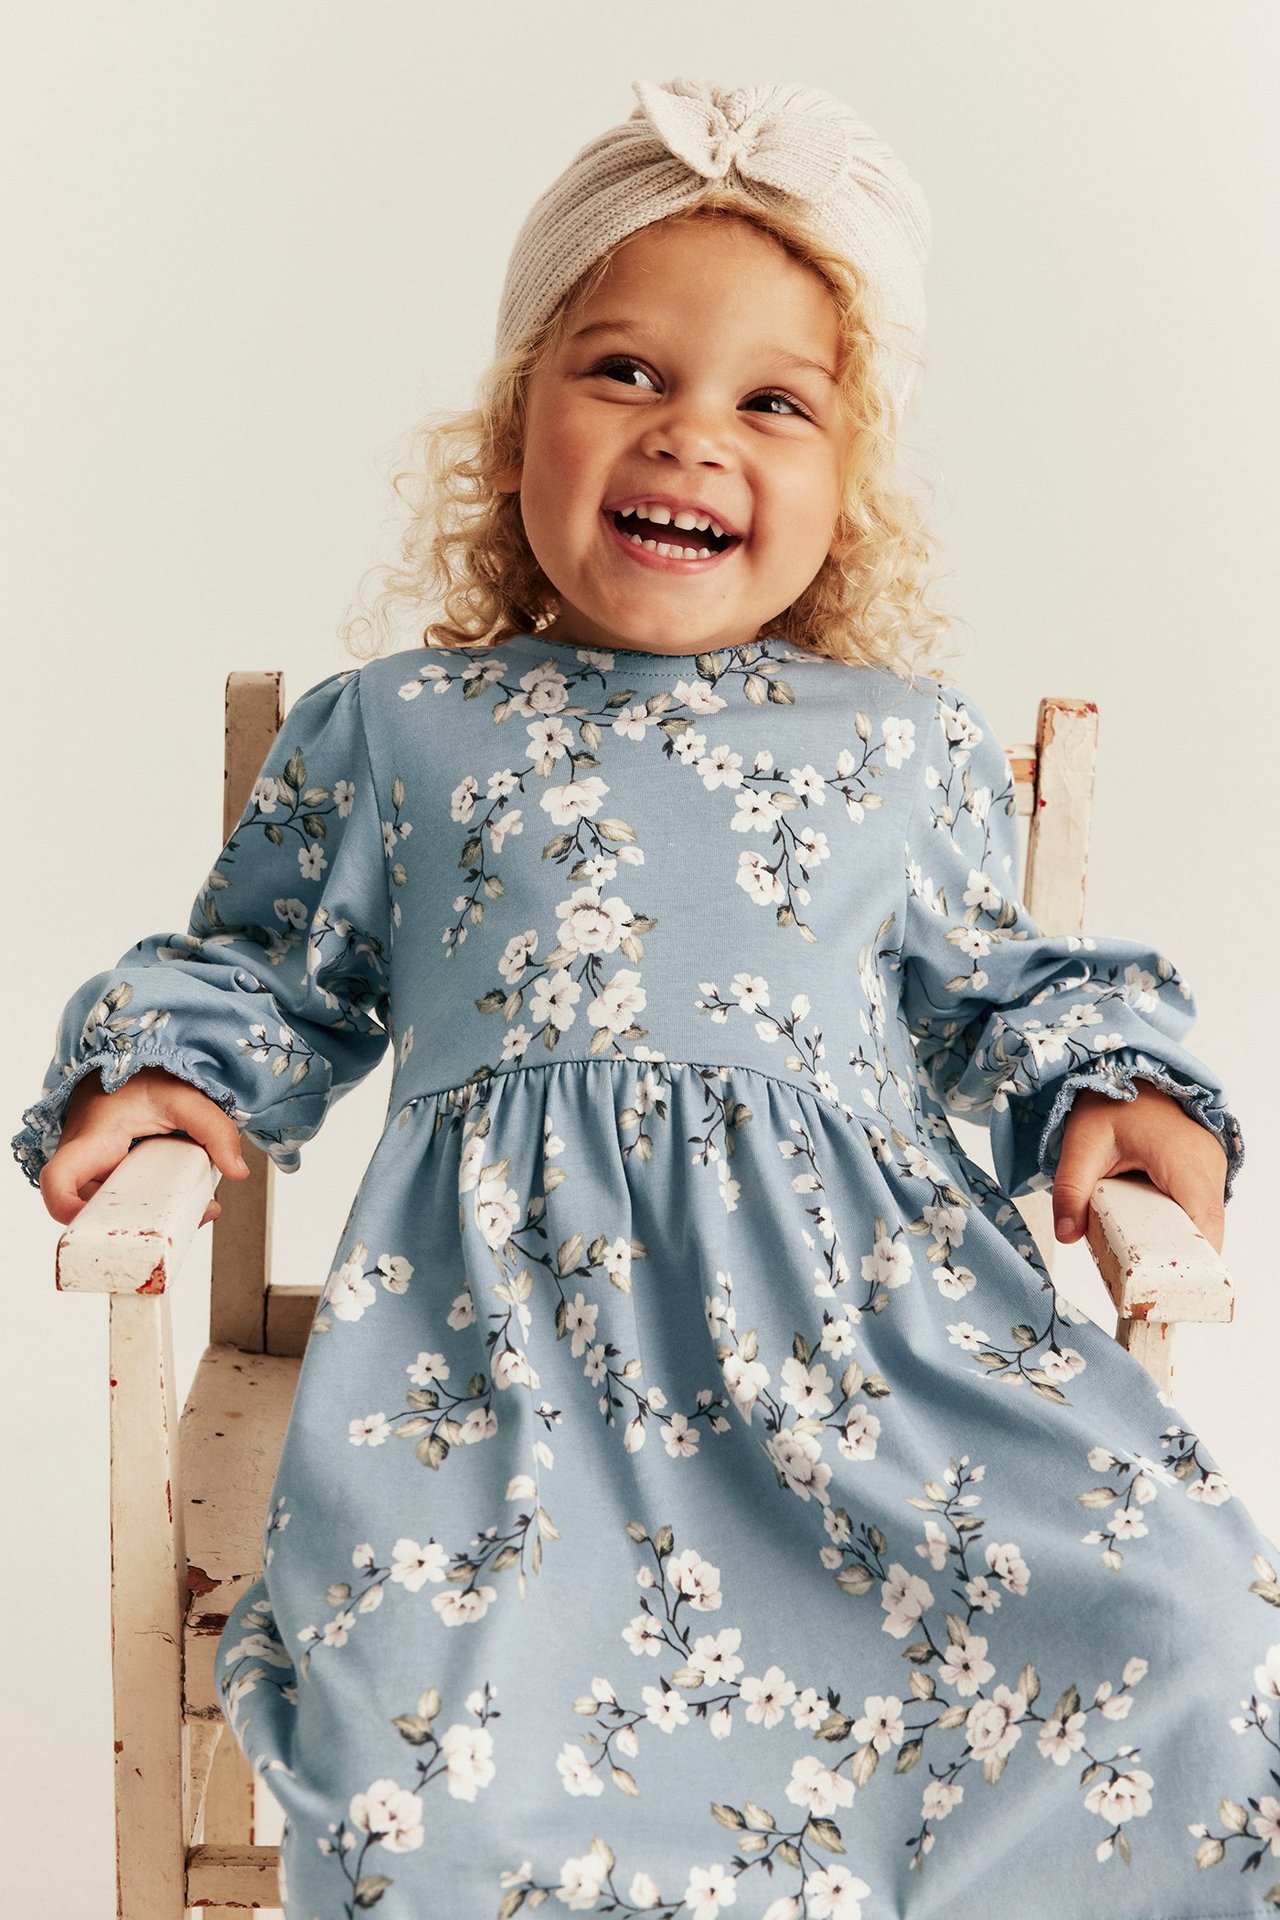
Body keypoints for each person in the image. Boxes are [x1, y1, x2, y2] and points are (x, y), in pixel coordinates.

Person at [13, 76, 1275, 1920]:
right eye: (624, 373)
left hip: (872, 1355)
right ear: (514, 414)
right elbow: (265, 970)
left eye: (774, 402)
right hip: (505, 1358)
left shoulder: (898, 750)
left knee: (1168, 1616)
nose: (692, 434)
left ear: (848, 490)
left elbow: (1009, 990)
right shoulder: (402, 728)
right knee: (441, 1737)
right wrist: (164, 1075)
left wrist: (1106, 1079)